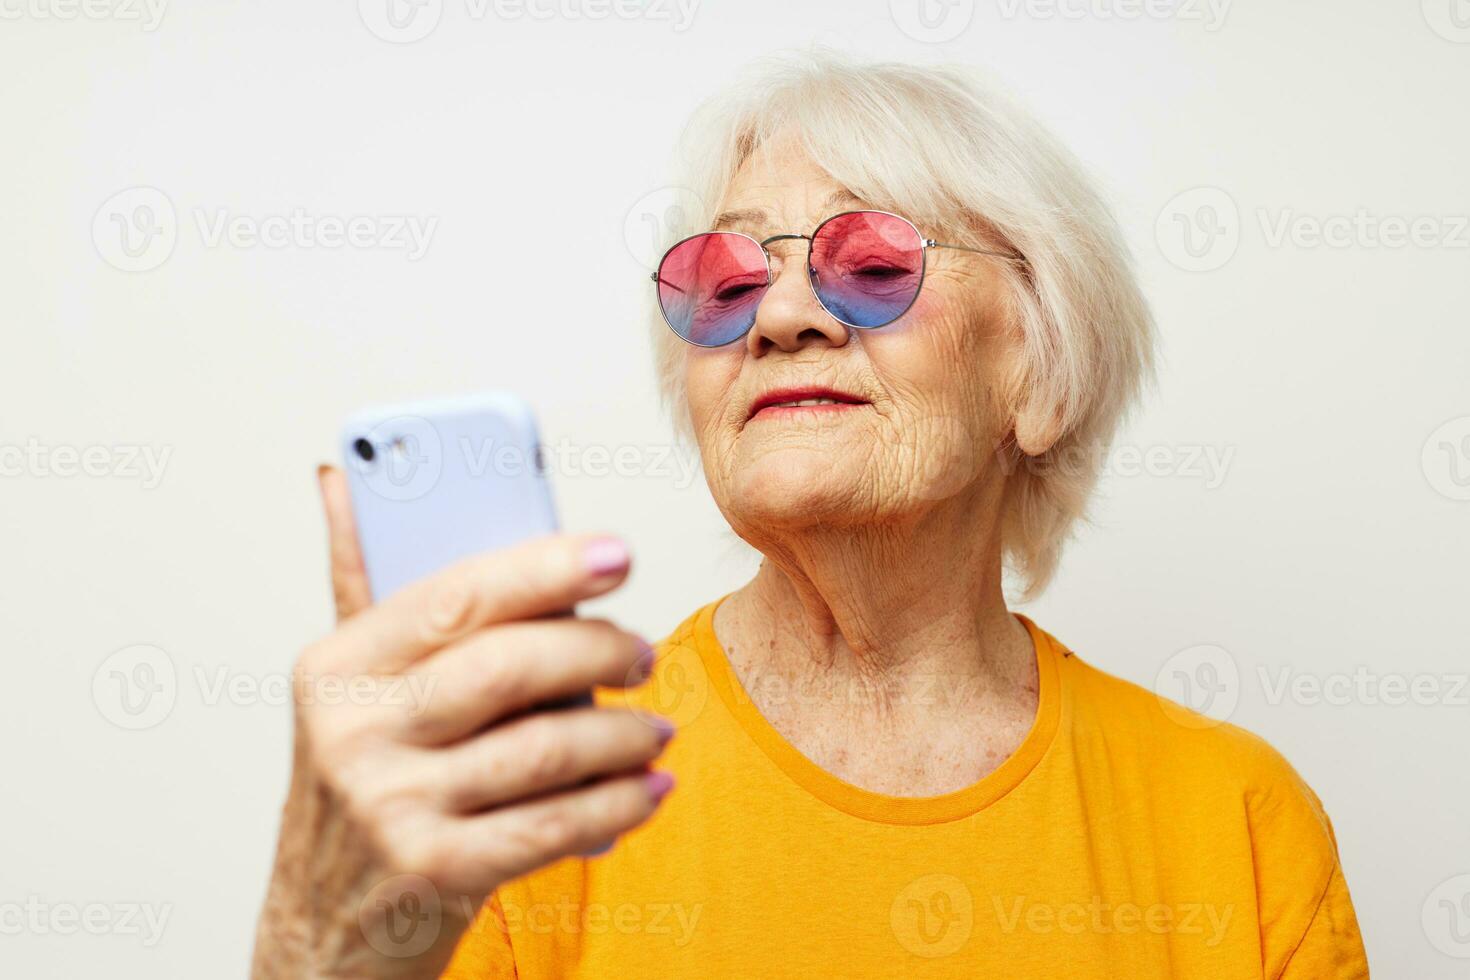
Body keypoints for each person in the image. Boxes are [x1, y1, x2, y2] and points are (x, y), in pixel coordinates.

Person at [252, 52, 1369, 978]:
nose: (780, 314)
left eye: (872, 260)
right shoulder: (536, 790)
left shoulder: (1238, 825)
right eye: (726, 280)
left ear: (1038, 372)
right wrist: (320, 947)